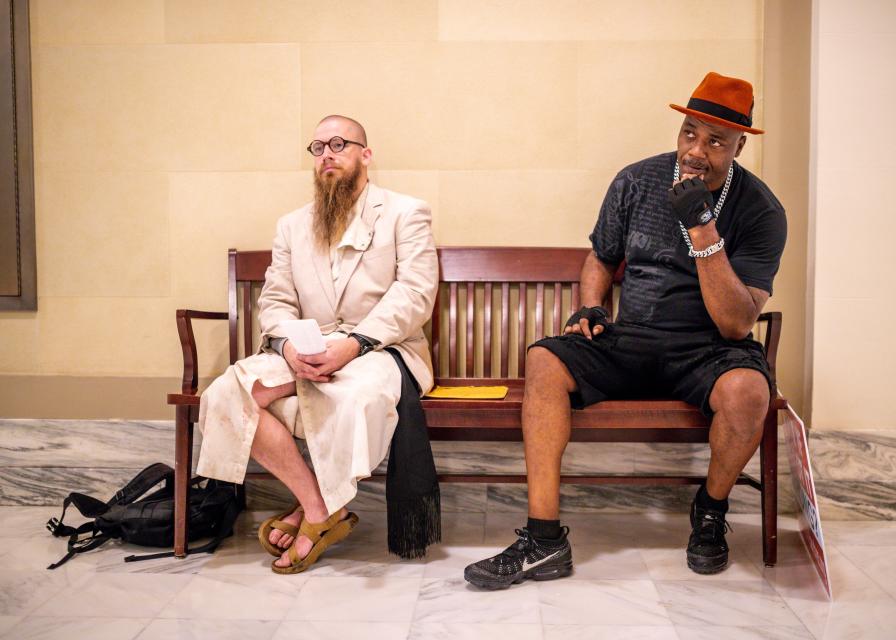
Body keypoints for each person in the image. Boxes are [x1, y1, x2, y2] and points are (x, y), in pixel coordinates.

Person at [465, 72, 788, 589]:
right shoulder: (636, 181)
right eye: (689, 133)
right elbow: (601, 257)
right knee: (544, 360)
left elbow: (736, 321)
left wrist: (703, 227)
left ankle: (709, 510)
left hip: (709, 350)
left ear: (739, 147)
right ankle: (544, 540)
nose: (696, 151)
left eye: (715, 141)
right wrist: (592, 307)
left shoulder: (762, 210)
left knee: (751, 389)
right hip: (632, 337)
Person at [197, 115, 439, 574]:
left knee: (349, 396)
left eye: (339, 144)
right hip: (305, 348)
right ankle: (319, 510)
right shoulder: (292, 226)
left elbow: (415, 293)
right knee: (229, 392)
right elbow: (275, 300)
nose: (326, 154)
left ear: (365, 155)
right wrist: (289, 349)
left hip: (382, 348)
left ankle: (311, 512)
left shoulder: (406, 212)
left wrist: (355, 344)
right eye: (318, 148)